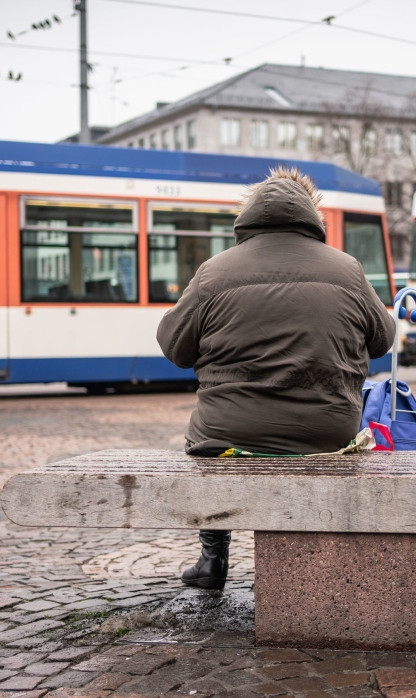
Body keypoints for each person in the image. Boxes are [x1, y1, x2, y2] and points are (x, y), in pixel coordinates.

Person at [156, 166, 396, 590]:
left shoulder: (214, 272)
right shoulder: (349, 269)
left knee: (212, 444)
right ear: (311, 217)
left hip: (228, 434)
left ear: (247, 218)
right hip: (326, 433)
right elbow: (383, 341)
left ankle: (213, 558)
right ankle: (311, 566)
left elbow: (175, 348)